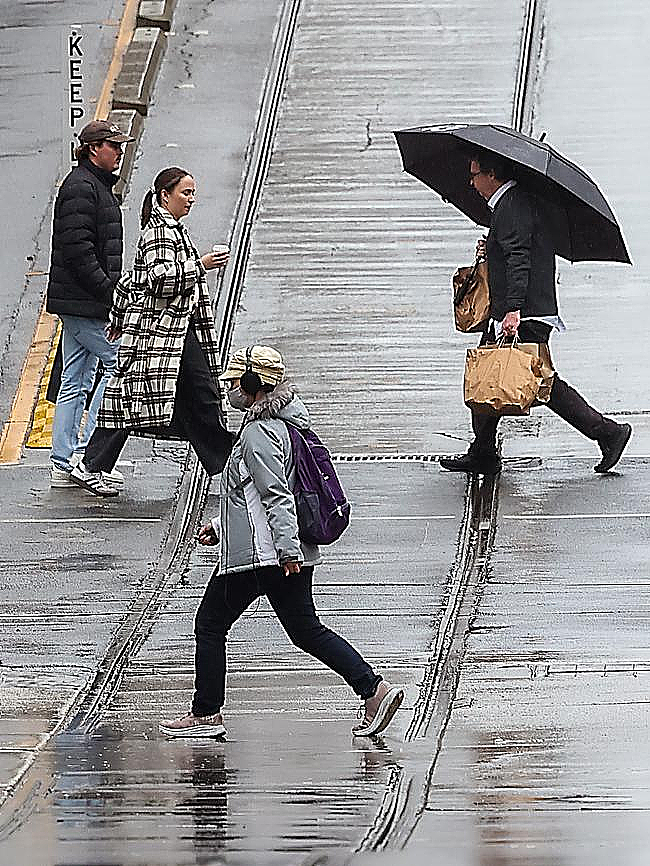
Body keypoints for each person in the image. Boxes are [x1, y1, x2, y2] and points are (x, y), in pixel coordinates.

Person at [159, 345, 404, 739]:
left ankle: (206, 713)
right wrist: (221, 526)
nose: (230, 389)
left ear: (254, 385)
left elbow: (275, 494)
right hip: (277, 551)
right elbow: (254, 496)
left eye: (237, 381)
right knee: (306, 630)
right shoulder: (287, 425)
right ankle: (374, 691)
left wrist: (287, 551)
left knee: (209, 623)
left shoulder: (258, 433)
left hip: (264, 556)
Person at [440, 152, 632, 475]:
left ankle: (609, 433)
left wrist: (512, 310)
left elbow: (520, 259)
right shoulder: (510, 205)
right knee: (498, 375)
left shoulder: (512, 206)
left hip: (523, 312)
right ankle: (484, 450)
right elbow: (514, 251)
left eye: (474, 175)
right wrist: (491, 249)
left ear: (492, 174)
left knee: (539, 384)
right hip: (523, 309)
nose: (471, 183)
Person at [70, 167, 233, 496]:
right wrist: (201, 264)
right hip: (161, 332)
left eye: (192, 192)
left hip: (175, 330)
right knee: (147, 398)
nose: (191, 199)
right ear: (165, 196)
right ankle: (91, 465)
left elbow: (136, 278)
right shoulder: (159, 232)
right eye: (185, 193)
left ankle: (228, 465)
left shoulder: (171, 228)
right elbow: (158, 278)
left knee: (192, 396)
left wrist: (117, 318)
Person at [46, 119, 134, 490]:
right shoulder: (83, 188)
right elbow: (79, 250)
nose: (119, 152)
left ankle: (63, 460)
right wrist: (109, 291)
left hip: (80, 301)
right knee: (122, 364)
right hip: (84, 302)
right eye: (113, 146)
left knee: (76, 379)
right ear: (93, 148)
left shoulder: (91, 185)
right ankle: (87, 456)